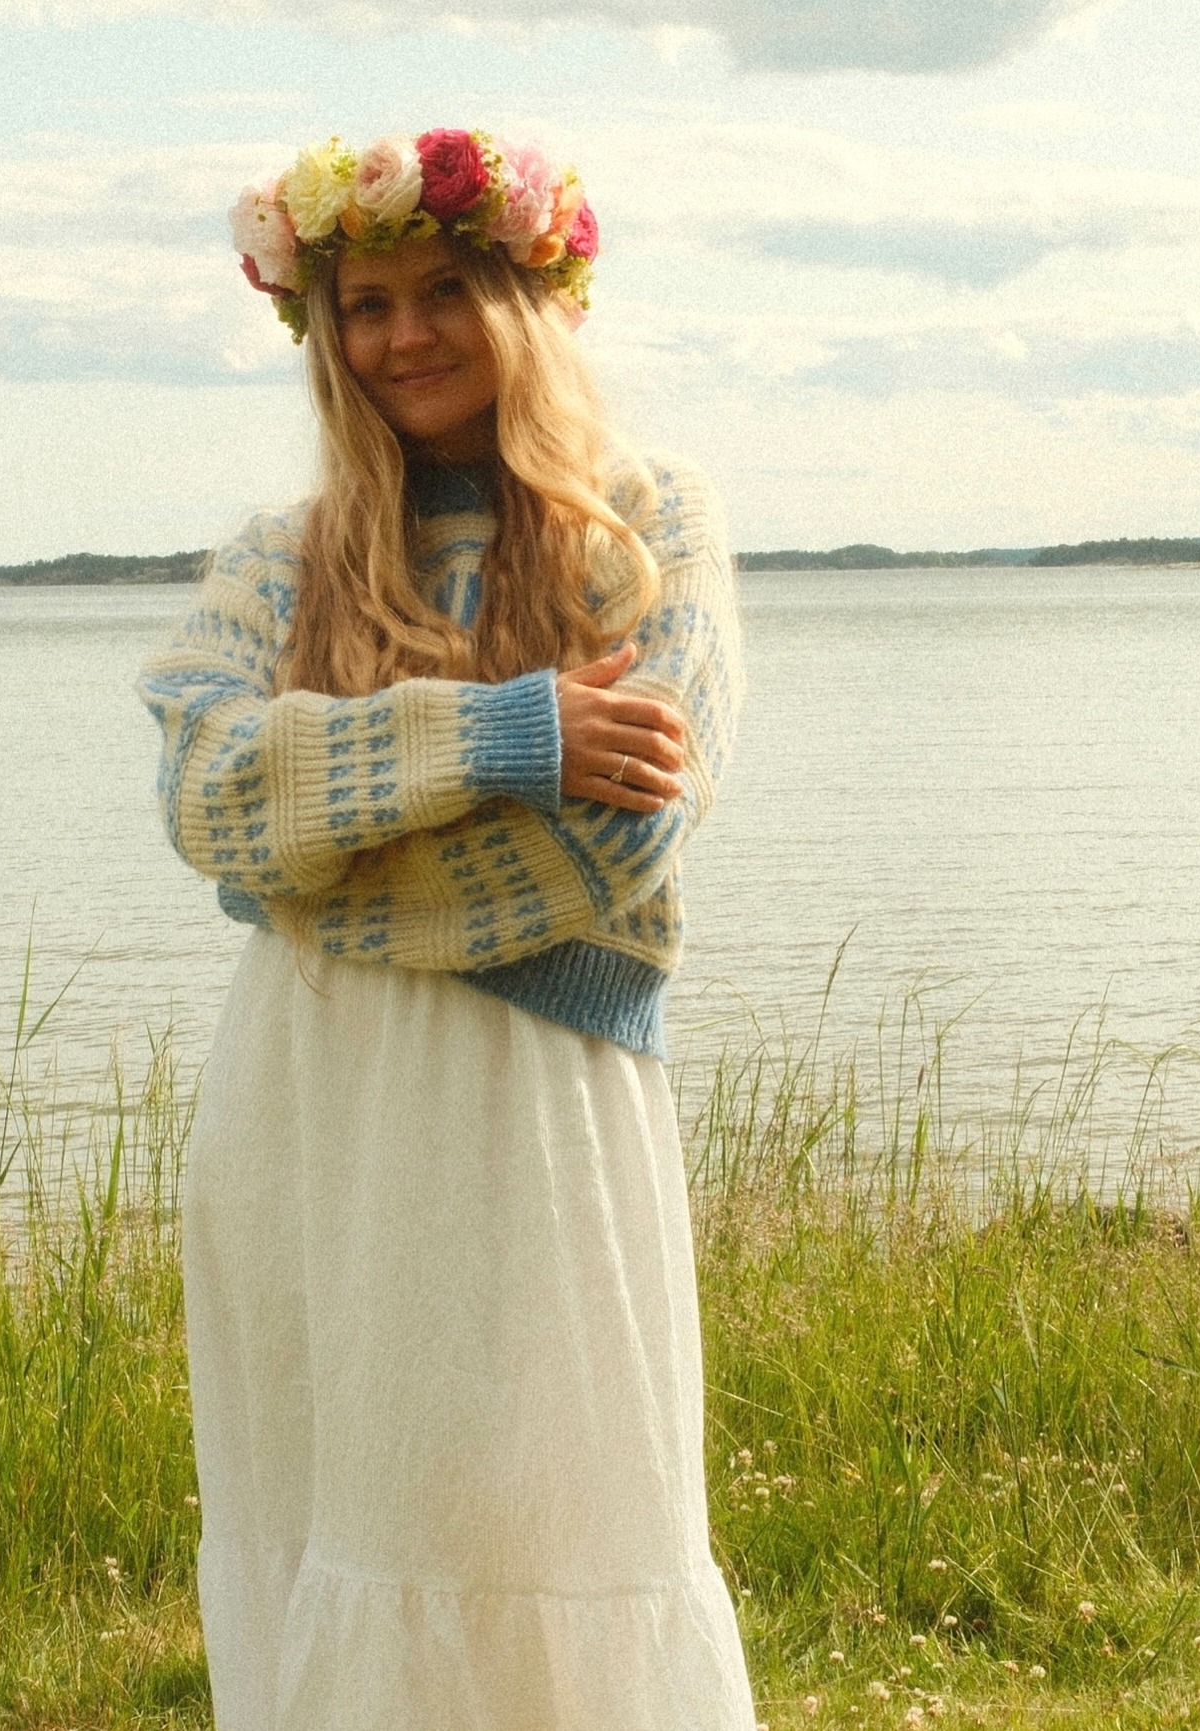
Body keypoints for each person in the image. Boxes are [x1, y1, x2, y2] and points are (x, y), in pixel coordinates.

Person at [139, 127, 757, 1731]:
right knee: (334, 1501)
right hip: (310, 1096)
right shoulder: (278, 558)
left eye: (442, 293)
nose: (402, 335)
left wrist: (316, 858)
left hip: (538, 1098)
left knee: (552, 1499)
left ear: (525, 300)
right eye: (365, 303)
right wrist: (505, 737)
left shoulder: (644, 526)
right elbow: (209, 797)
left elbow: (619, 839)